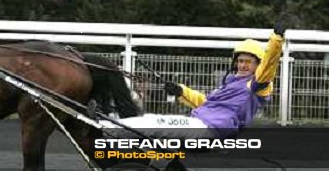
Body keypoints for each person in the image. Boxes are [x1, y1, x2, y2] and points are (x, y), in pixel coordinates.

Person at [104, 24, 285, 139]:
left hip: (209, 129)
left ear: (257, 65)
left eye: (248, 62)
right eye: (240, 61)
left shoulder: (258, 84)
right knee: (151, 120)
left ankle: (104, 127)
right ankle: (109, 125)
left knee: (153, 123)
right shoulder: (231, 81)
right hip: (201, 123)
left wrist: (276, 39)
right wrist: (180, 91)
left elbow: (269, 64)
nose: (243, 65)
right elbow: (205, 103)